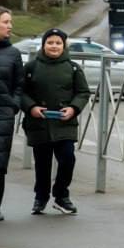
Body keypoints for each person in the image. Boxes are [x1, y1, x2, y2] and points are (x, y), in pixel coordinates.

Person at [21, 28, 89, 215]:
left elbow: (83, 92)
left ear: (64, 46)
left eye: (58, 43)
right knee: (42, 164)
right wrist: (31, 107)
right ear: (43, 45)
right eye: (50, 42)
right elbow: (21, 92)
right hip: (39, 124)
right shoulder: (31, 67)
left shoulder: (73, 68)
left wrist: (73, 108)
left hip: (64, 124)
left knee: (67, 159)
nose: (54, 46)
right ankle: (40, 197)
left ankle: (61, 195)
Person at [0, 7, 20, 221]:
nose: (10, 26)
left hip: (2, 116)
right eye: (6, 22)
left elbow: (19, 84)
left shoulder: (13, 53)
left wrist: (13, 105)